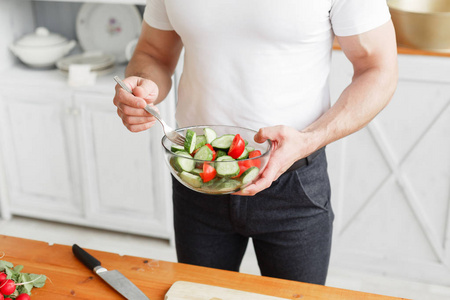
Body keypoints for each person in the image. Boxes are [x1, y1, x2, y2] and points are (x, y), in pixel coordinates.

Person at [113, 0, 398, 285]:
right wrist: (143, 85)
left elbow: (378, 69)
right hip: (198, 179)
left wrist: (310, 139)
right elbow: (153, 52)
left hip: (293, 187)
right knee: (197, 294)